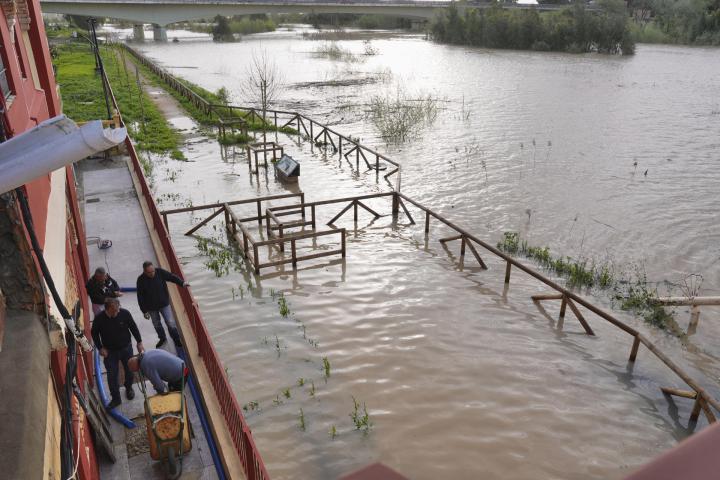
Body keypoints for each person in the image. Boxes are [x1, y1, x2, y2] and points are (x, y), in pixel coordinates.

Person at [91, 298, 144, 409]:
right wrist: (100, 348)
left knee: (130, 371)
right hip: (110, 353)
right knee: (112, 376)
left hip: (126, 348)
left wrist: (139, 342)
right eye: (115, 311)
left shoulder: (124, 313)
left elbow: (133, 327)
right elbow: (94, 333)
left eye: (118, 309)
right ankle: (116, 398)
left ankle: (128, 388)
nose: (118, 312)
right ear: (107, 309)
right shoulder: (99, 319)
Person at [136, 261, 190, 349]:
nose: (152, 273)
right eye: (149, 272)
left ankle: (176, 339)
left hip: (164, 304)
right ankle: (162, 338)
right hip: (151, 307)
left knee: (170, 322)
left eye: (153, 271)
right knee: (156, 324)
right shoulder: (140, 280)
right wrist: (144, 311)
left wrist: (182, 283)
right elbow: (140, 297)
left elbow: (171, 277)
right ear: (144, 272)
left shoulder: (160, 272)